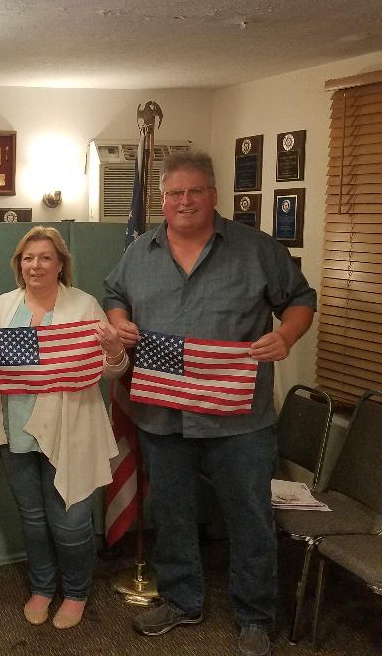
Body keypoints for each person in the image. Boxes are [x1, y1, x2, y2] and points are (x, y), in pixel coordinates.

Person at [103, 152, 316, 656]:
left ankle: (255, 615)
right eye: (174, 193)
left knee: (249, 517)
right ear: (162, 199)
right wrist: (119, 320)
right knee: (173, 512)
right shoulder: (139, 252)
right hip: (162, 412)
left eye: (195, 191)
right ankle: (182, 601)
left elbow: (301, 298)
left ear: (214, 195)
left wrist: (286, 335)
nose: (185, 201)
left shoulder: (256, 249)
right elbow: (114, 292)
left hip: (239, 417)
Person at [0, 226, 129, 629]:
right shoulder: (3, 306)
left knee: (71, 521)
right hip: (16, 428)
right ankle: (42, 587)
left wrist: (114, 350)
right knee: (33, 518)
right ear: (19, 264)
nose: (35, 265)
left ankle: (75, 592)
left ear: (60, 264)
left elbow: (110, 371)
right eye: (28, 258)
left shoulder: (84, 306)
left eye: (44, 257)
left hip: (69, 430)